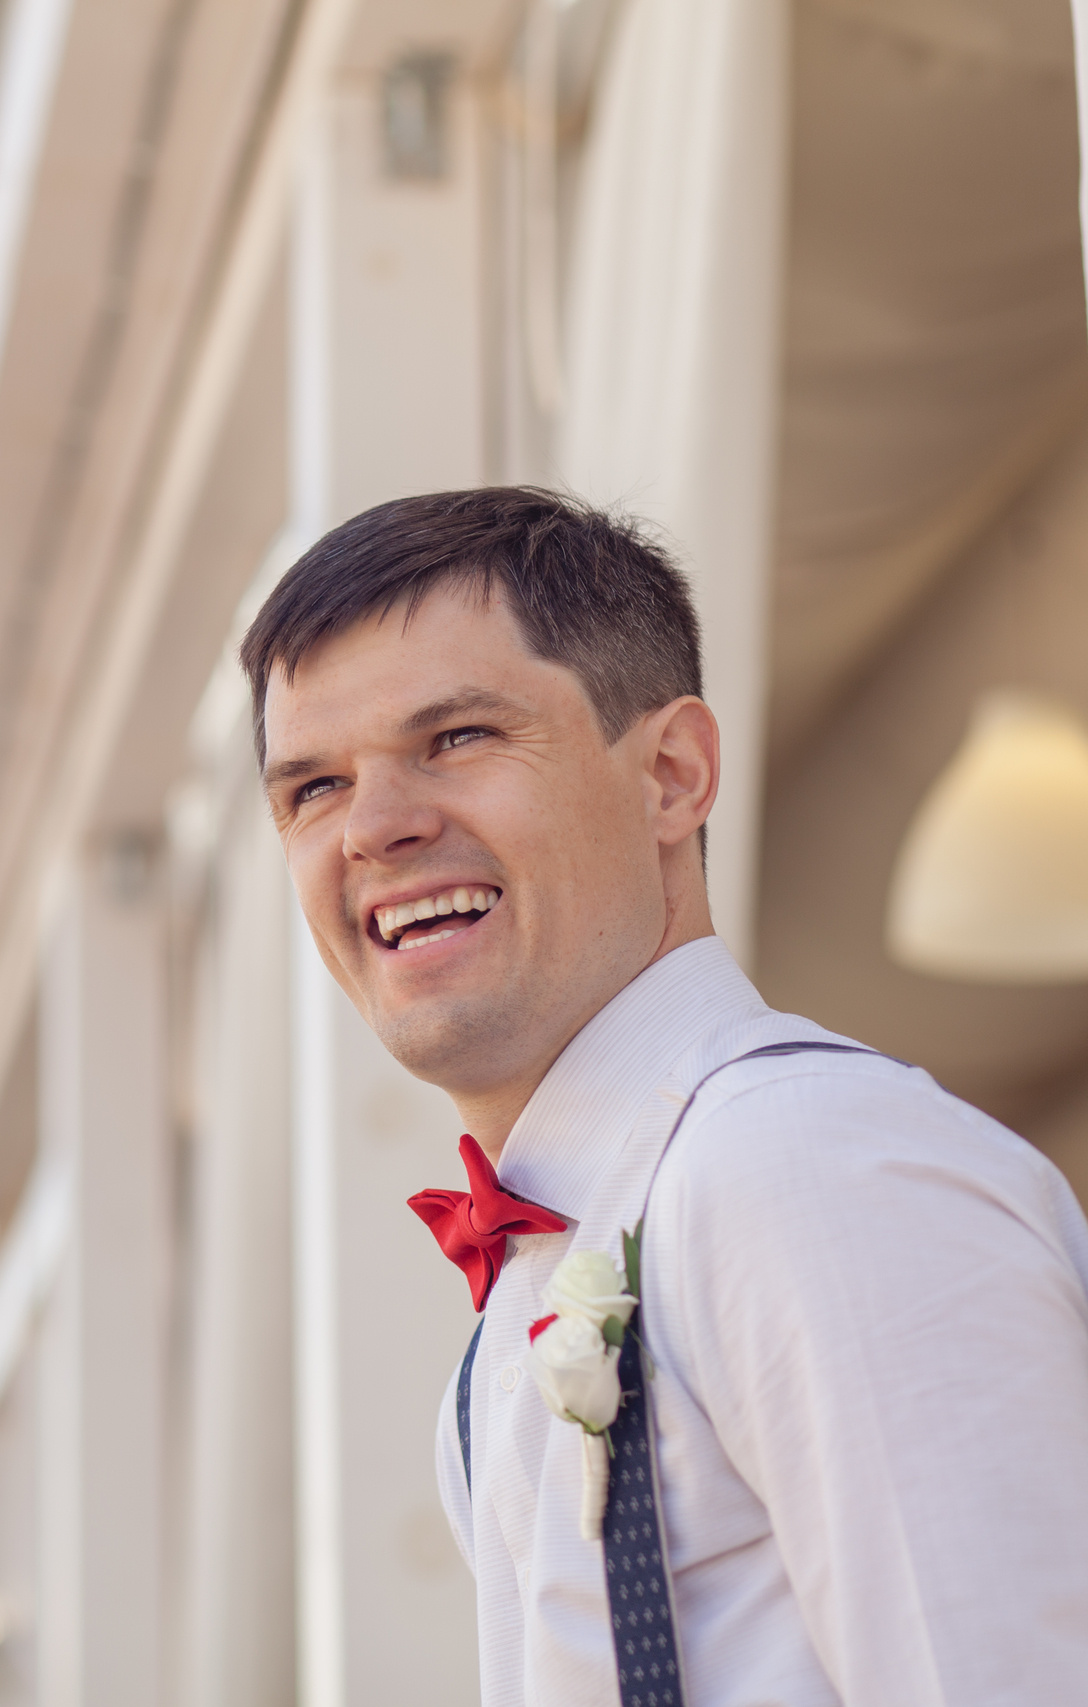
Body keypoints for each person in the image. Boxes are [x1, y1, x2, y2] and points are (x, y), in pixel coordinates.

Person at [238, 487, 1088, 1707]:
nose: (374, 827)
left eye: (458, 738)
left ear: (673, 776)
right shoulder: (523, 1313)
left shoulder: (810, 1167)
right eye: (312, 788)